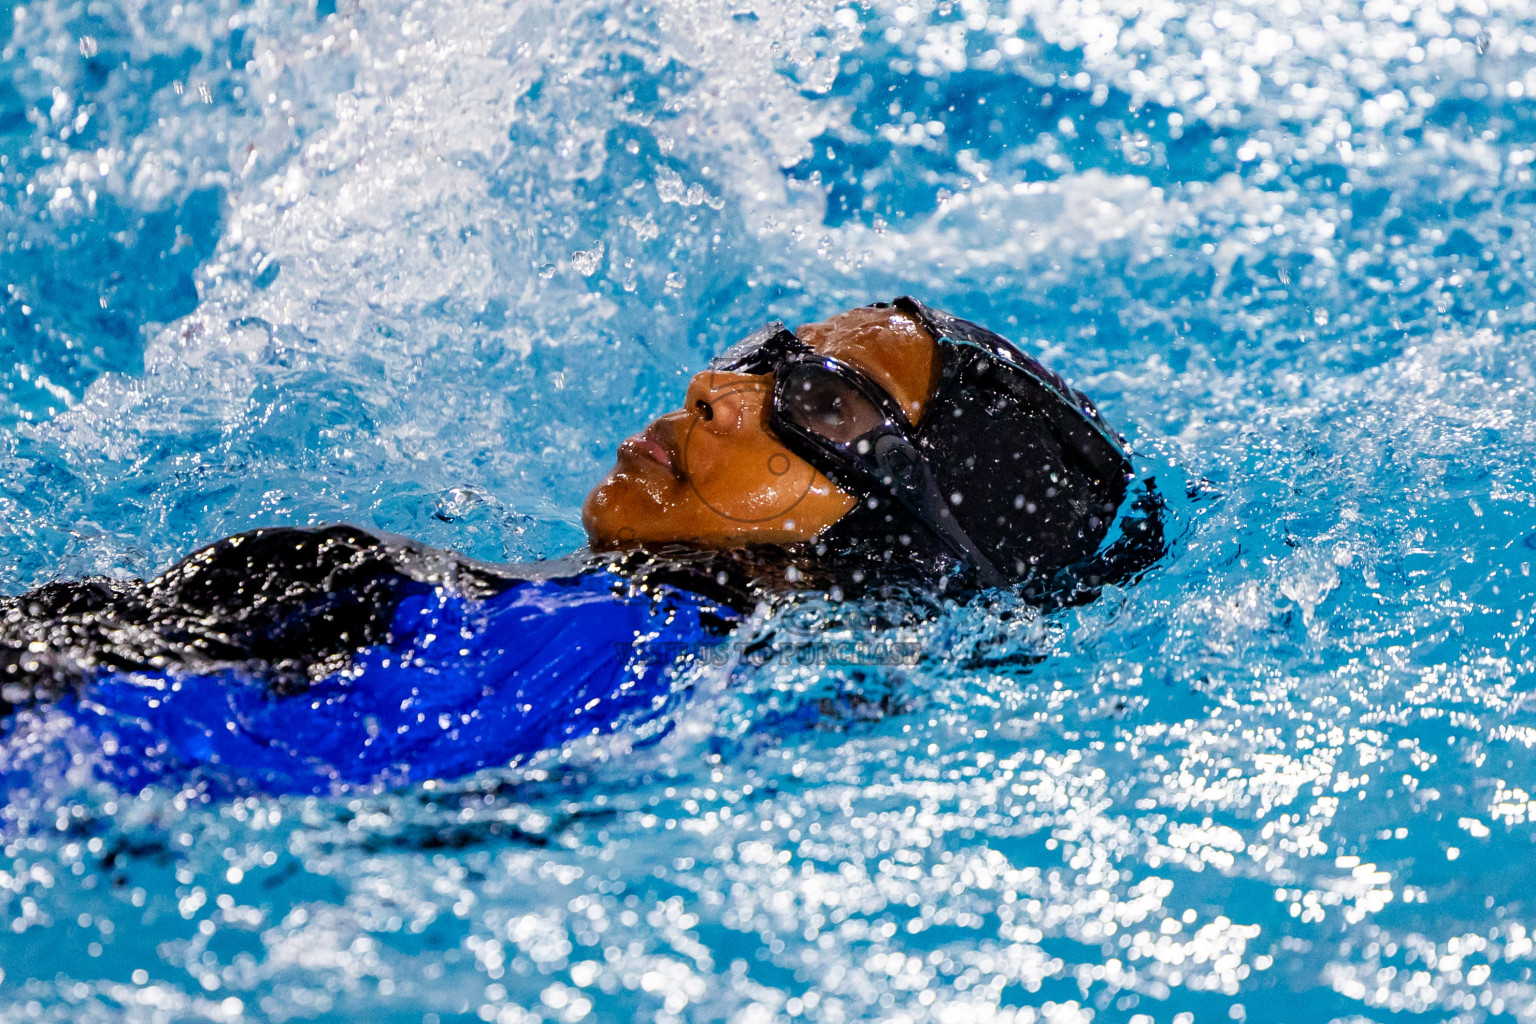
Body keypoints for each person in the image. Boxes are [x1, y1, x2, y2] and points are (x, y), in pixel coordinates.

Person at [0, 298, 1161, 793]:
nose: (717, 389)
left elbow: (168, 757)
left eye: (827, 404)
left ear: (898, 539)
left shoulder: (634, 648)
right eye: (767, 356)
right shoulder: (617, 621)